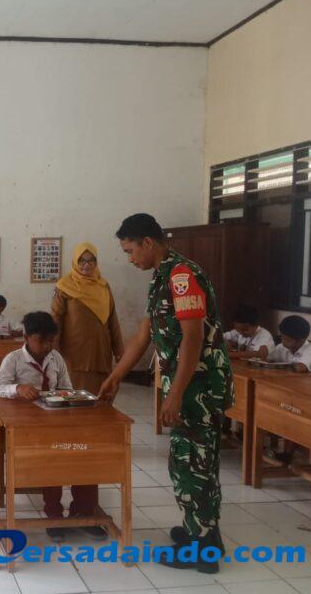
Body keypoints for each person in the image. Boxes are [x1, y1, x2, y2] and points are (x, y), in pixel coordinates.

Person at [97, 214, 232, 574]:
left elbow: (193, 337)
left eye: (130, 251)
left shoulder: (182, 276)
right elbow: (144, 334)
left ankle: (201, 552)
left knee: (193, 465)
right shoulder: (161, 276)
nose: (130, 259)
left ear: (148, 242)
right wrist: (116, 377)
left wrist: (176, 394)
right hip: (186, 385)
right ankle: (204, 535)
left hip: (198, 388)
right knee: (190, 462)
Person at [0, 312, 106, 540]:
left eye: (50, 341)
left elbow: (67, 388)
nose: (46, 346)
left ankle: (83, 512)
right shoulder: (13, 359)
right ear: (26, 337)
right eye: (41, 341)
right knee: (51, 457)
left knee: (86, 453)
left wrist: (66, 395)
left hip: (57, 420)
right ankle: (53, 514)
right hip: (26, 426)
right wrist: (18, 388)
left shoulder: (56, 358)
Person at [52, 241, 124, 395]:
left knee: (100, 395)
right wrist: (54, 351)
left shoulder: (103, 286)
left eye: (91, 260)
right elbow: (56, 320)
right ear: (75, 261)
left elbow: (113, 319)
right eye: (82, 260)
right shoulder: (64, 286)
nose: (87, 264)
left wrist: (119, 351)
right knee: (74, 394)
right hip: (74, 352)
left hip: (101, 350)